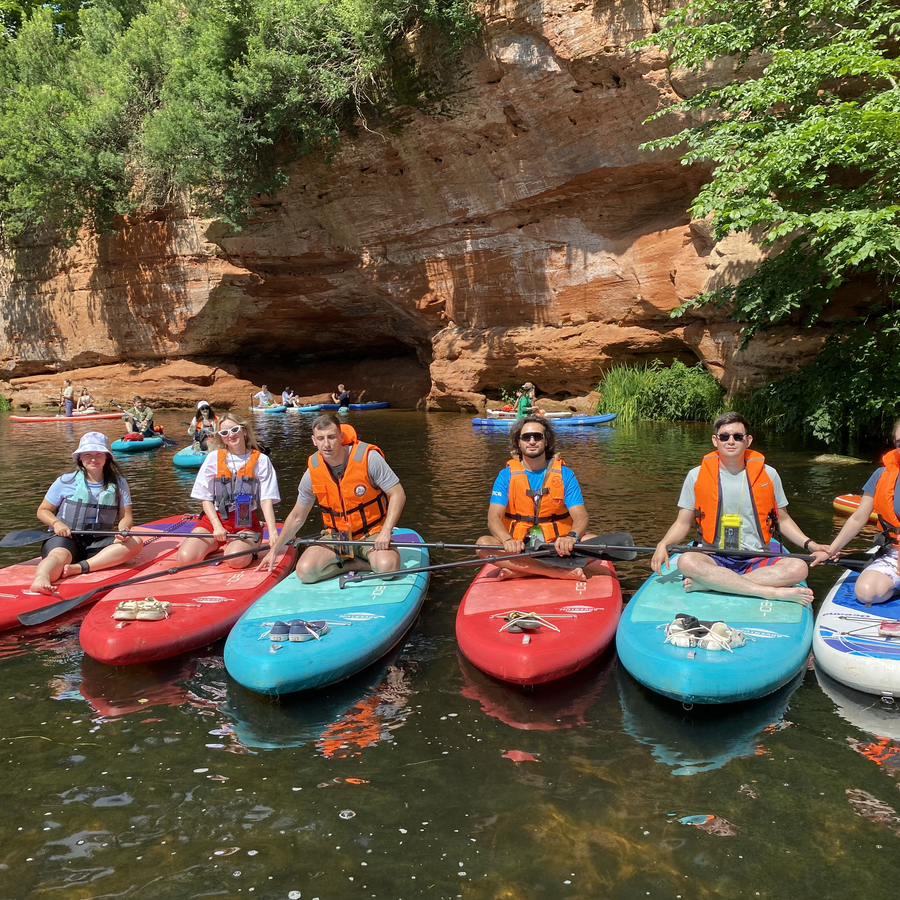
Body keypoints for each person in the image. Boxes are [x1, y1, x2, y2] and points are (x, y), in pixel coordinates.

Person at [651, 412, 823, 605]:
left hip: (757, 557)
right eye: (724, 436)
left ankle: (710, 585)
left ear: (748, 440)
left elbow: (783, 520)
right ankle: (768, 592)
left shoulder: (769, 474)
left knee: (799, 568)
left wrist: (811, 545)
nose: (730, 441)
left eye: (737, 436)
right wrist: (663, 544)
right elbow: (683, 522)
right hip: (715, 557)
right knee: (686, 562)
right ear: (715, 440)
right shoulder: (696, 475)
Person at [261, 414, 406, 583]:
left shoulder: (369, 459)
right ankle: (353, 564)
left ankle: (367, 560)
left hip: (372, 533)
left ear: (341, 437)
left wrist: (386, 532)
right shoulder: (312, 472)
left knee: (387, 569)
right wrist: (275, 549)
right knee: (305, 572)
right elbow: (297, 516)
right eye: (321, 438)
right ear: (314, 441)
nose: (326, 444)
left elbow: (398, 494)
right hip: (337, 536)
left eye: (331, 437)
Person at [475, 414, 602, 581]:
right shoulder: (505, 476)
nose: (532, 441)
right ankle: (555, 571)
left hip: (557, 546)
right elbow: (493, 517)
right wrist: (506, 540)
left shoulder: (565, 474)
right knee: (483, 544)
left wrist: (571, 537)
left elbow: (581, 515)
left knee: (597, 543)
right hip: (518, 546)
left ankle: (521, 569)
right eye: (526, 437)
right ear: (518, 442)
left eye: (538, 436)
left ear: (546, 441)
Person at [29, 432, 143, 593]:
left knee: (135, 542)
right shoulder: (65, 481)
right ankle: (42, 578)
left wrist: (124, 529)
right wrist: (56, 523)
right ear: (80, 458)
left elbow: (126, 516)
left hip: (98, 540)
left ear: (106, 458)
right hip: (67, 538)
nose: (93, 459)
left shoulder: (119, 483)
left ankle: (79, 567)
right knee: (58, 555)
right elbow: (43, 510)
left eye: (98, 454)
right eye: (88, 454)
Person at [176, 414, 280, 570]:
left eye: (234, 429)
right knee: (185, 559)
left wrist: (272, 532)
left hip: (246, 523)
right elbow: (204, 498)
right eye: (224, 433)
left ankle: (247, 549)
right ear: (221, 437)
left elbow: (266, 499)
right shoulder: (213, 458)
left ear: (244, 430)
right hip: (214, 520)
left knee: (235, 560)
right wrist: (217, 526)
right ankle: (216, 545)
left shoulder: (261, 460)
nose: (230, 435)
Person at [813, 419, 900, 605]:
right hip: (896, 553)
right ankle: (893, 587)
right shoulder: (881, 475)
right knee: (866, 593)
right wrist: (831, 550)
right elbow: (858, 518)